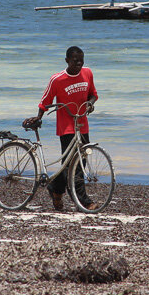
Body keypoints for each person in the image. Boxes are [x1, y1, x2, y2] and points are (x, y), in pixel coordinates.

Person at [22, 46, 98, 211]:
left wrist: (90, 104)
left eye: (81, 60)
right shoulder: (57, 79)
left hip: (82, 125)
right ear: (67, 61)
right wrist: (39, 117)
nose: (78, 63)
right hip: (66, 128)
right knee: (73, 167)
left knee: (78, 164)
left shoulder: (88, 73)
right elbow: (45, 101)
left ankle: (55, 189)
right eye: (74, 61)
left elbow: (93, 94)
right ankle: (83, 202)